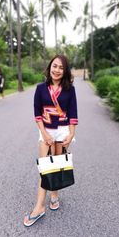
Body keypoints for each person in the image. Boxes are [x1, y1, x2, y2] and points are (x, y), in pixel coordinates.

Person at [23, 55, 78, 227]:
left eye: (61, 68)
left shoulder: (70, 90)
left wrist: (70, 134)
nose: (57, 70)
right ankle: (39, 206)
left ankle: (54, 195)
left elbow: (73, 114)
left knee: (56, 165)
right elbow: (37, 114)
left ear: (65, 71)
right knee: (45, 168)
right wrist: (44, 134)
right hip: (45, 131)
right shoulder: (40, 88)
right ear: (49, 67)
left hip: (62, 131)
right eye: (55, 66)